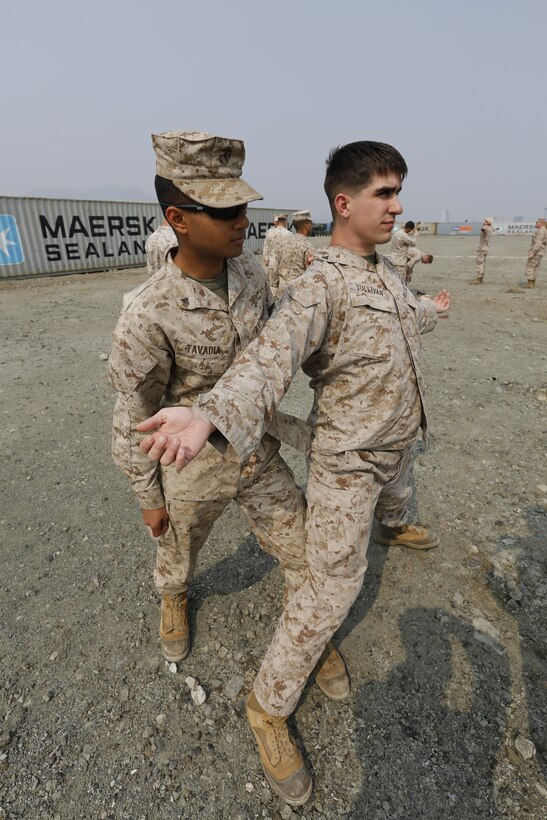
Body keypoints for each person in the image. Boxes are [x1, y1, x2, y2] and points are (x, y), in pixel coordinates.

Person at [136, 140, 451, 805]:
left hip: (382, 452)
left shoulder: (381, 274)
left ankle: (314, 635)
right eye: (384, 193)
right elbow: (267, 360)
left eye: (399, 191)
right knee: (326, 586)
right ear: (344, 203)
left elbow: (400, 321)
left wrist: (432, 311)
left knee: (313, 572)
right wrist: (208, 415)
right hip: (334, 462)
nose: (397, 205)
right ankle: (268, 706)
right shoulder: (320, 284)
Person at [109, 130, 317, 671]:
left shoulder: (250, 273)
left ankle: (308, 633)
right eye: (226, 212)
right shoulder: (148, 312)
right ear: (178, 218)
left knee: (303, 549)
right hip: (191, 464)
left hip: (257, 449)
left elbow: (271, 351)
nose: (243, 222)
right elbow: (133, 416)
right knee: (177, 551)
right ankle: (174, 597)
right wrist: (148, 496)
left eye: (244, 208)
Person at [275, 209, 315, 294]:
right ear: (306, 225)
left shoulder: (283, 243)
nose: (312, 226)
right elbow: (311, 275)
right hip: (297, 294)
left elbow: (275, 268)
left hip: (282, 293)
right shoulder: (308, 246)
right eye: (310, 223)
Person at [262, 213, 291, 295]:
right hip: (284, 264)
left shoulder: (270, 232)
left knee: (273, 285)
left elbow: (266, 246)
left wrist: (266, 259)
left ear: (277, 221)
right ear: (285, 221)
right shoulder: (289, 234)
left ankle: (272, 300)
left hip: (272, 262)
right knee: (285, 285)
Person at [521, 218, 546, 288]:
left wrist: (532, 253)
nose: (535, 223)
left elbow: (538, 243)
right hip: (539, 252)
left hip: (537, 252)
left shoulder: (541, 231)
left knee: (530, 266)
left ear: (541, 223)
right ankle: (532, 283)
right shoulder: (543, 230)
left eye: (537, 222)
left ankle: (530, 283)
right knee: (534, 267)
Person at [469, 217, 494, 284]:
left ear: (488, 222)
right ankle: (480, 277)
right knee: (482, 263)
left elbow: (483, 229)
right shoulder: (489, 228)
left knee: (480, 262)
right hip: (484, 248)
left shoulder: (486, 228)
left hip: (482, 248)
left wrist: (486, 226)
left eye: (485, 221)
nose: (484, 222)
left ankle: (479, 278)